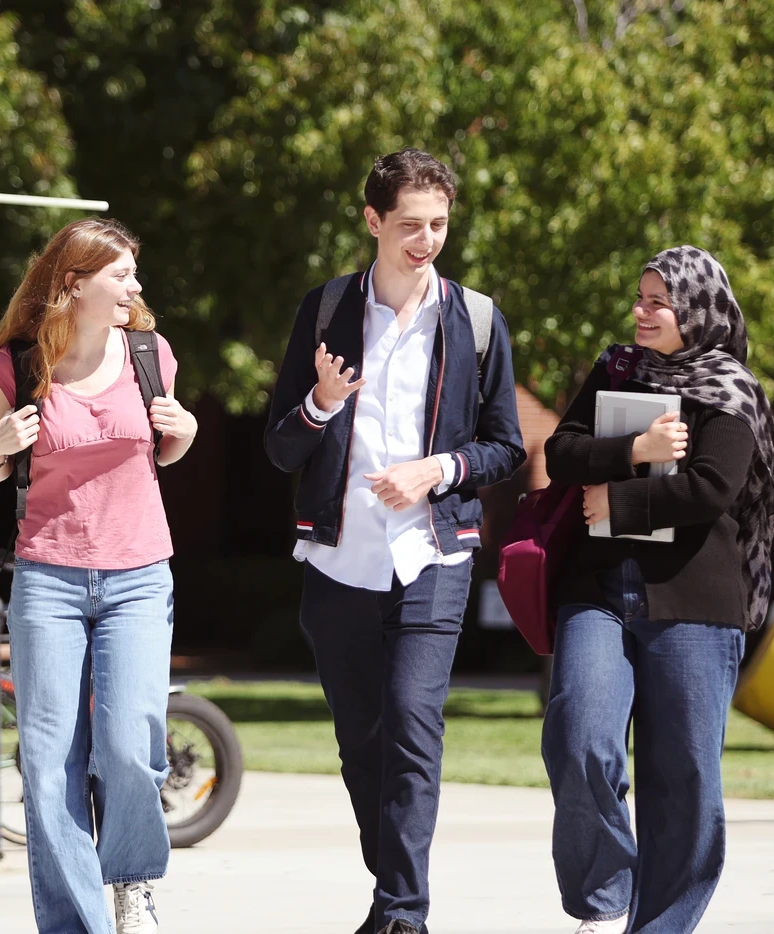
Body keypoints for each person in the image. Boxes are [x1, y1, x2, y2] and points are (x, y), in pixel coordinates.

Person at [264, 148, 525, 934]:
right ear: (373, 220)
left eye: (439, 224)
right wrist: (320, 402)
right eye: (410, 224)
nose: (426, 240)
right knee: (362, 745)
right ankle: (394, 894)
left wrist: (437, 470)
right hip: (337, 560)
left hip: (432, 556)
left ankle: (404, 913)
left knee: (414, 725)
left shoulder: (475, 319)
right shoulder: (324, 311)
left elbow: (506, 448)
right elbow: (279, 447)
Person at [540, 246, 774, 934]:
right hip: (597, 592)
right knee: (580, 734)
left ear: (697, 309)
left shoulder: (731, 389)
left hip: (695, 605)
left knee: (685, 780)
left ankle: (664, 926)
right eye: (640, 298)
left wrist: (618, 503)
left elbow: (713, 489)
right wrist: (634, 453)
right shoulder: (618, 368)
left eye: (658, 302)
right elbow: (561, 452)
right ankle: (603, 901)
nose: (642, 312)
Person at [0, 217, 196, 934]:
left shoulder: (149, 354)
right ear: (75, 284)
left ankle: (130, 881)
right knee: (48, 763)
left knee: (130, 745)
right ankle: (76, 924)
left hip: (137, 574)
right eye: (120, 275)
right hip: (49, 580)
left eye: (134, 272)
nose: (134, 286)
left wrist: (184, 437)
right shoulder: (18, 365)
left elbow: (158, 451)